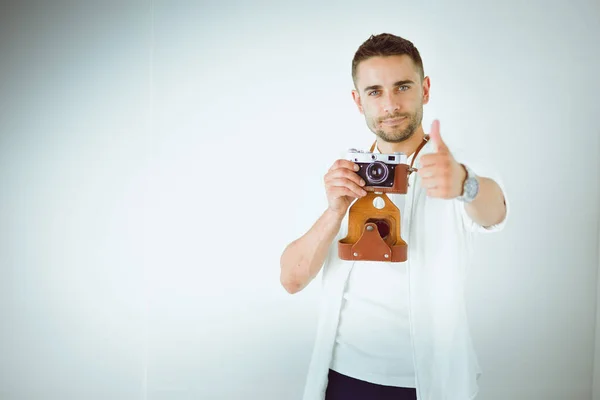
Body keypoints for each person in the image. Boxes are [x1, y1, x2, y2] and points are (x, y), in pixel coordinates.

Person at [279, 33, 509, 400]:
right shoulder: (342, 174)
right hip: (342, 377)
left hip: (426, 382)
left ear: (425, 89)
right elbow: (291, 279)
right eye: (374, 91)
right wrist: (334, 211)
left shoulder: (452, 166)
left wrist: (465, 183)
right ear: (358, 101)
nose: (390, 104)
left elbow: (495, 211)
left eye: (402, 86)